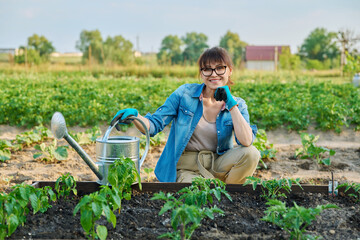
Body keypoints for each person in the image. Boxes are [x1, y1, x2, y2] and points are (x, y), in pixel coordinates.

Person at [111, 47, 260, 184]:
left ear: (230, 71)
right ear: (201, 73)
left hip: (218, 163)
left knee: (251, 154)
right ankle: (213, 192)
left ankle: (230, 195)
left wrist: (231, 104)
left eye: (220, 68)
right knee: (199, 193)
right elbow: (154, 125)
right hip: (188, 166)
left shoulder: (238, 104)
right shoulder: (184, 95)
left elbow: (246, 141)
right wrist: (136, 116)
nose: (214, 74)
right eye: (207, 69)